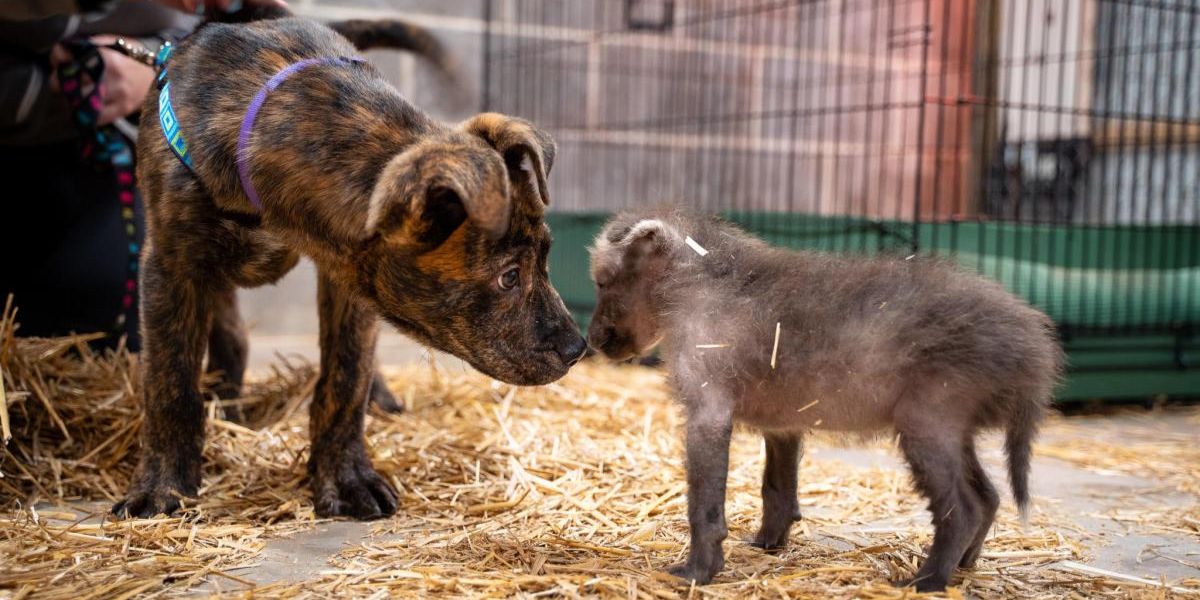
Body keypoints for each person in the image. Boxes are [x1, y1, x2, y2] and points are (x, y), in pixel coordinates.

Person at [0, 0, 282, 350]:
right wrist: (34, 89)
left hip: (103, 150)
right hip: (27, 141)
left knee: (124, 322)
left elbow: (219, 32)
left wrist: (153, 67)